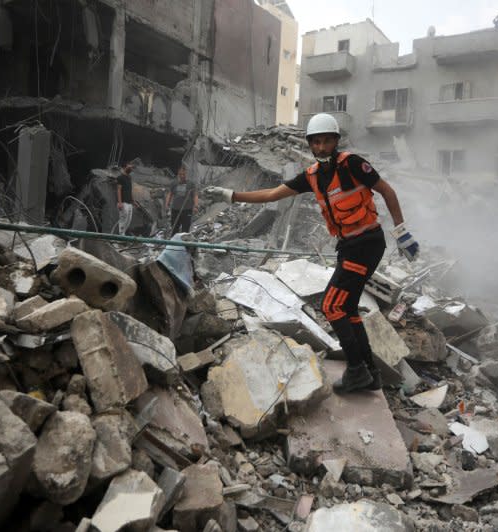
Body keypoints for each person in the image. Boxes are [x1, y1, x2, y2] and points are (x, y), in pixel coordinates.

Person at [203, 113, 420, 394]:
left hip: (367, 244)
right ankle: (369, 371)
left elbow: (387, 191)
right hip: (349, 247)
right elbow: (272, 195)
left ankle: (357, 371)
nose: (321, 147)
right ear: (310, 144)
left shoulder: (353, 165)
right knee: (348, 308)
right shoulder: (312, 177)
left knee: (331, 306)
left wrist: (402, 233)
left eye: (326, 141)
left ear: (335, 141)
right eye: (316, 142)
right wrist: (230, 195)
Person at [166, 166, 198, 234]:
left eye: (184, 174)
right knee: (174, 228)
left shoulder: (191, 184)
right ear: (178, 174)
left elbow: (195, 195)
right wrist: (167, 204)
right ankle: (174, 242)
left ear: (186, 174)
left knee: (185, 229)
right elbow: (170, 194)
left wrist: (195, 206)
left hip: (187, 210)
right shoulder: (174, 183)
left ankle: (183, 243)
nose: (182, 176)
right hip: (175, 209)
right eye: (180, 174)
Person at [116, 162, 134, 235]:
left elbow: (130, 190)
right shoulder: (120, 177)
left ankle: (123, 234)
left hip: (129, 202)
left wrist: (133, 200)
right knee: (123, 219)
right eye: (129, 166)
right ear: (124, 167)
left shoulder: (129, 178)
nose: (131, 168)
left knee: (128, 220)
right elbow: (119, 190)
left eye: (132, 167)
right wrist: (120, 203)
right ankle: (121, 235)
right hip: (123, 202)